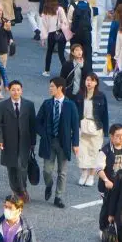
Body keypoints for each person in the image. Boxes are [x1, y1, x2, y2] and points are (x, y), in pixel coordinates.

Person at [36, 77, 80, 209]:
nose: (50, 89)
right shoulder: (47, 104)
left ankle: (58, 197)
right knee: (47, 170)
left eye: (52, 86)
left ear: (60, 88)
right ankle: (49, 185)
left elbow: (75, 125)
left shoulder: (70, 105)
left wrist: (75, 144)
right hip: (49, 141)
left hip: (64, 142)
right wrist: (44, 134)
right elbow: (38, 122)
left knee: (62, 172)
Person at [0, 81, 38, 201]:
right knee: (11, 168)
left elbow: (32, 124)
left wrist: (33, 142)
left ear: (21, 90)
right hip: (9, 141)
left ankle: (22, 189)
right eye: (13, 89)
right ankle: (15, 191)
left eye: (18, 89)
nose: (16, 92)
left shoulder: (29, 105)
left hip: (24, 142)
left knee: (22, 167)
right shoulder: (2, 106)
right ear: (9, 90)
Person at [76, 73, 109, 187]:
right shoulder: (80, 95)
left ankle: (91, 175)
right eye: (87, 80)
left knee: (95, 151)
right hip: (82, 125)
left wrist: (106, 129)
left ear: (96, 83)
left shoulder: (101, 96)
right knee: (82, 152)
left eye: (92, 80)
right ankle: (84, 173)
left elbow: (105, 114)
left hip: (96, 126)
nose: (89, 82)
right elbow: (75, 112)